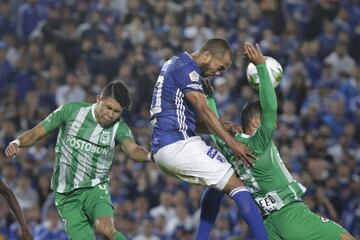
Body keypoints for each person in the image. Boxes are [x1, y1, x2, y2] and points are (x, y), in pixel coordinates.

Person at [197, 42, 355, 240]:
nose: (275, 126)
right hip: (292, 215)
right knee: (344, 237)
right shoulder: (258, 145)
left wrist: (209, 97)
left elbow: (213, 128)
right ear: (256, 122)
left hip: (267, 225)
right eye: (270, 123)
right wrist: (261, 67)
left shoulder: (228, 146)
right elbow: (270, 108)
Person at [149, 38, 267, 239]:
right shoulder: (188, 69)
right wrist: (234, 143)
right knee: (238, 185)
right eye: (220, 67)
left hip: (165, 147)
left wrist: (224, 127)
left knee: (219, 184)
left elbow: (187, 119)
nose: (219, 73)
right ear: (206, 56)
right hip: (179, 144)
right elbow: (203, 110)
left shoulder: (175, 63)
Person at [5, 81, 152, 240]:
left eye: (117, 111)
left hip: (95, 187)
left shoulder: (119, 127)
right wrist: (17, 142)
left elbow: (133, 150)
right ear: (98, 99)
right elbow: (37, 132)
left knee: (106, 230)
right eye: (108, 107)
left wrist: (151, 156)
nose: (111, 114)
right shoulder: (71, 111)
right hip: (66, 193)